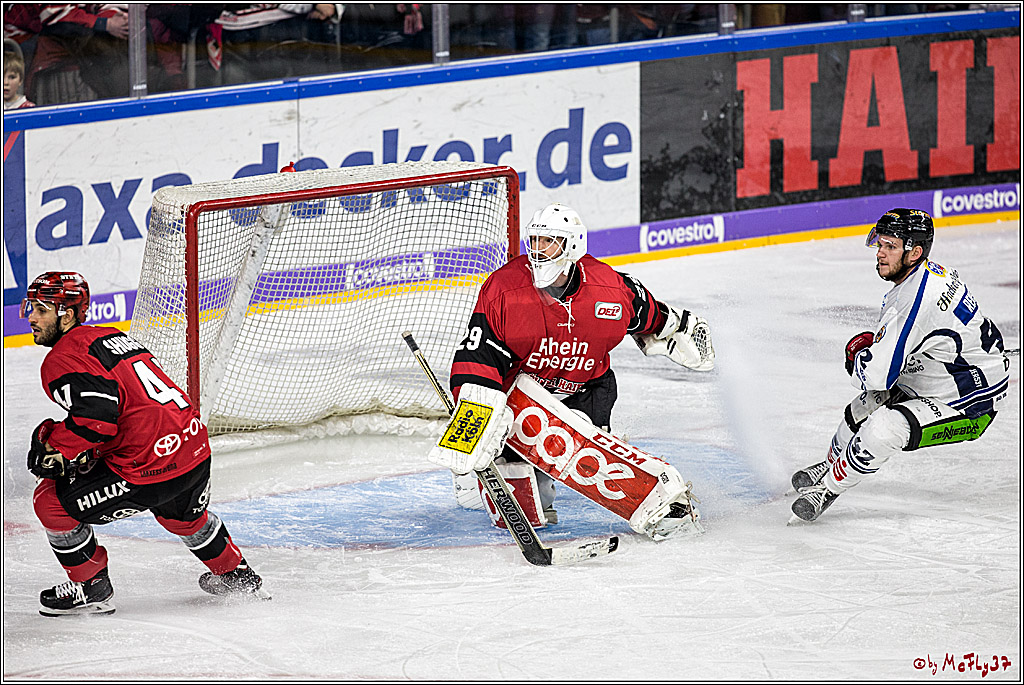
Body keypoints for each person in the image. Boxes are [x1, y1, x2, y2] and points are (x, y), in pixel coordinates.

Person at [428, 203, 715, 529]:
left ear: (572, 245)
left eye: (548, 242)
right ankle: (482, 476)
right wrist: (477, 412)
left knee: (589, 462)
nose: (538, 250)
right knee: (524, 499)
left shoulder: (609, 289)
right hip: (526, 395)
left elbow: (646, 312)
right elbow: (478, 354)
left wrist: (673, 325)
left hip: (587, 390)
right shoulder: (505, 289)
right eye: (534, 241)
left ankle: (659, 503)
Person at [22, 271, 267, 616]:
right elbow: (132, 408)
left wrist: (59, 449)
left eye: (41, 309)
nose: (31, 316)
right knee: (183, 517)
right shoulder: (113, 337)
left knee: (50, 500)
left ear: (67, 313)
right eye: (31, 307)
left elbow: (97, 418)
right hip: (194, 449)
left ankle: (90, 586)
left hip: (149, 468)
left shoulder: (62, 357)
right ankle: (236, 575)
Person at [791, 209, 1010, 522]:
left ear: (915, 252)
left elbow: (876, 376)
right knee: (866, 405)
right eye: (881, 244)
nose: (880, 253)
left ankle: (827, 489)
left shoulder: (913, 300)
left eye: (890, 247)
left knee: (884, 428)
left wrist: (858, 358)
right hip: (942, 371)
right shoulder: (924, 274)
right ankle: (830, 463)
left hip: (970, 401)